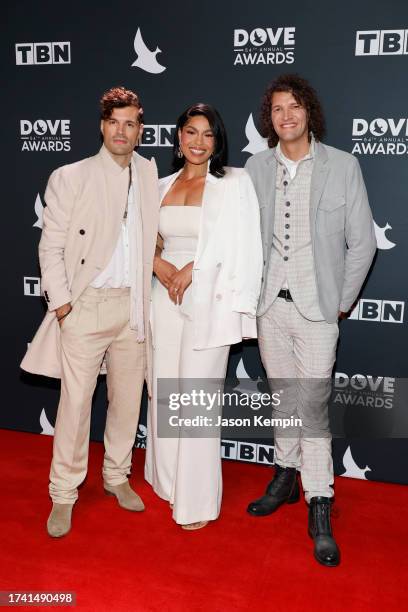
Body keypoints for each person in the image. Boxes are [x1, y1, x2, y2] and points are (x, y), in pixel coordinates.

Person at [245, 74, 376, 566]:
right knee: (283, 398)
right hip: (268, 307)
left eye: (294, 107)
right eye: (277, 109)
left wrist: (340, 302)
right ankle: (286, 474)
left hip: (318, 310)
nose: (286, 116)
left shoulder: (343, 165)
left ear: (308, 112)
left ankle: (320, 499)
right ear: (269, 118)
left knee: (313, 407)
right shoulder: (255, 169)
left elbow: (362, 242)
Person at [21, 86, 160, 537]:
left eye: (131, 123)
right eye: (114, 122)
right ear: (103, 126)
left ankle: (116, 475)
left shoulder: (148, 171)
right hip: (85, 307)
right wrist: (63, 307)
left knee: (127, 403)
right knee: (75, 406)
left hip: (132, 307)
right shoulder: (71, 176)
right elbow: (52, 246)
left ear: (141, 130)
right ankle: (63, 492)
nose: (122, 131)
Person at [145, 103, 263, 530]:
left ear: (218, 140)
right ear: (178, 138)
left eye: (207, 134)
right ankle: (169, 483)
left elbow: (245, 241)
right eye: (190, 132)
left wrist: (194, 267)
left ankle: (195, 502)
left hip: (207, 296)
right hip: (162, 296)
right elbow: (144, 239)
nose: (198, 142)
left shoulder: (235, 182)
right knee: (164, 390)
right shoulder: (158, 185)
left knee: (194, 398)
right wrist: (158, 264)